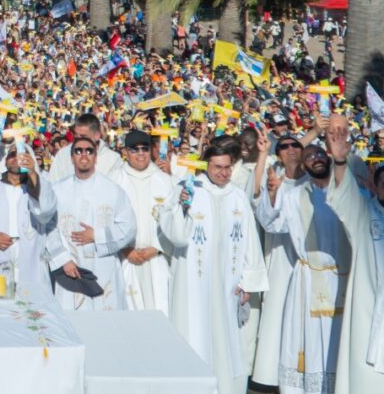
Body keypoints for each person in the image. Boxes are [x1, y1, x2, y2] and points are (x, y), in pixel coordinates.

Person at [160, 144, 268, 394]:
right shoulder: (188, 189)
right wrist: (182, 208)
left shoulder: (237, 196)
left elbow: (250, 239)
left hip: (228, 284)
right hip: (192, 283)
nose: (223, 173)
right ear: (205, 165)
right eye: (218, 167)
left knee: (227, 342)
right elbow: (175, 235)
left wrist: (248, 281)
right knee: (193, 333)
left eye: (228, 167)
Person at [257, 142, 350, 394]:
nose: (316, 158)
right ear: (304, 165)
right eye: (309, 157)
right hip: (308, 279)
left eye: (320, 153)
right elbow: (271, 225)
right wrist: (273, 194)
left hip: (342, 278)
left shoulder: (345, 191)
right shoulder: (294, 195)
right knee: (305, 340)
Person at [325, 117, 384, 394]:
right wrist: (338, 161)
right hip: (369, 313)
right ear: (375, 185)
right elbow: (345, 194)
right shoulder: (365, 213)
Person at [46, 135, 137, 311]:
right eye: (78, 151)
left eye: (89, 151)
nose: (84, 155)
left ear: (95, 157)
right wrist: (62, 259)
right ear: (72, 157)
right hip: (70, 267)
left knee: (105, 326)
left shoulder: (113, 190)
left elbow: (129, 228)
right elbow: (49, 228)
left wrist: (96, 235)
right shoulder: (57, 190)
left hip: (103, 265)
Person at [114, 129, 174, 314]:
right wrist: (125, 249)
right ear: (126, 152)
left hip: (156, 258)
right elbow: (107, 221)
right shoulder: (115, 180)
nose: (140, 153)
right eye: (135, 149)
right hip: (125, 259)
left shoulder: (165, 181)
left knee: (161, 312)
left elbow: (174, 221)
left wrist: (156, 248)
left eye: (144, 148)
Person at [0, 142, 55, 291]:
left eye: (22, 154)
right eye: (12, 154)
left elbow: (45, 211)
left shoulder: (42, 187)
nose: (16, 158)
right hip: (0, 264)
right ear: (5, 161)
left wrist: (33, 174)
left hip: (32, 266)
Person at [48, 114, 126, 182]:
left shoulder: (113, 159)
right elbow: (53, 183)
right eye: (76, 135)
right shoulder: (64, 154)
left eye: (83, 136)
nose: (78, 139)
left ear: (97, 135)